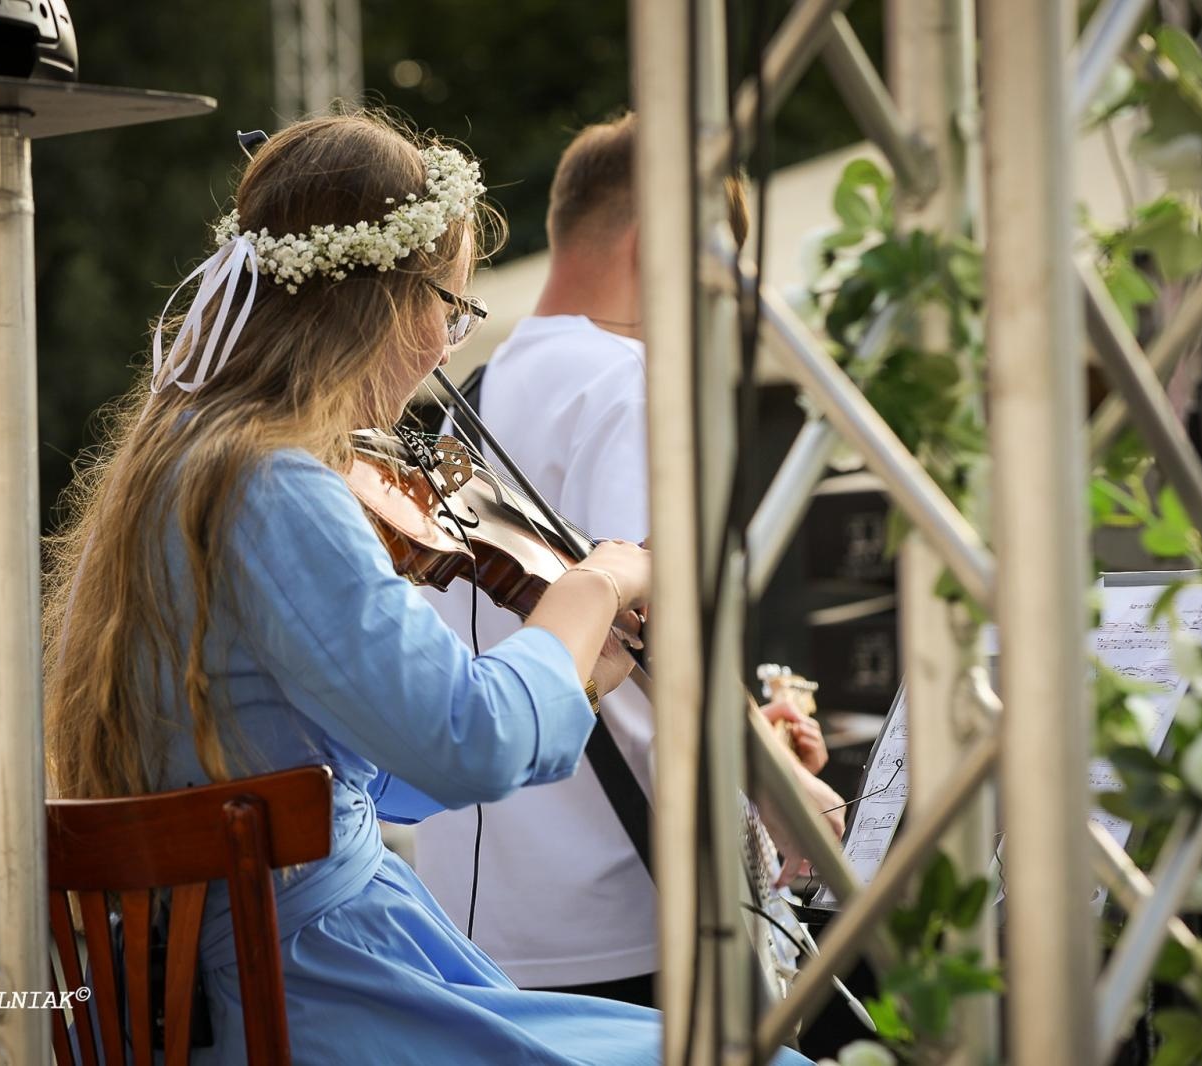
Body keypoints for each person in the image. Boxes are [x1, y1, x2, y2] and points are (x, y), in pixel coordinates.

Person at [41, 112, 810, 1065]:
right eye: (449, 306)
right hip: (314, 987)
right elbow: (469, 746)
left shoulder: (176, 463)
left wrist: (576, 679)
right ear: (380, 302)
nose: (447, 346)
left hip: (263, 970)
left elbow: (372, 769)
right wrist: (597, 584)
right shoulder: (272, 484)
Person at [416, 112, 843, 1007]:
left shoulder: (477, 397)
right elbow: (650, 652)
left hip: (475, 910)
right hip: (624, 904)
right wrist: (779, 791)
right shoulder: (626, 382)